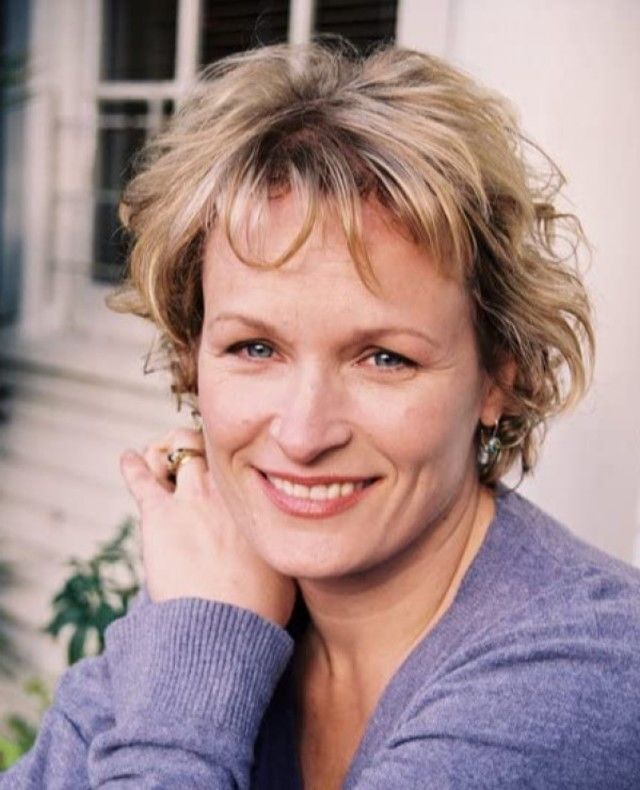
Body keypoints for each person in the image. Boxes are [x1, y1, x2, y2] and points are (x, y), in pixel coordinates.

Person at [2, 41, 640, 789]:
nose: (303, 435)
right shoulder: (222, 590)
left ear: (500, 375)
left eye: (384, 358)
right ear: (192, 356)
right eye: (254, 348)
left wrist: (196, 660)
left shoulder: (583, 674)